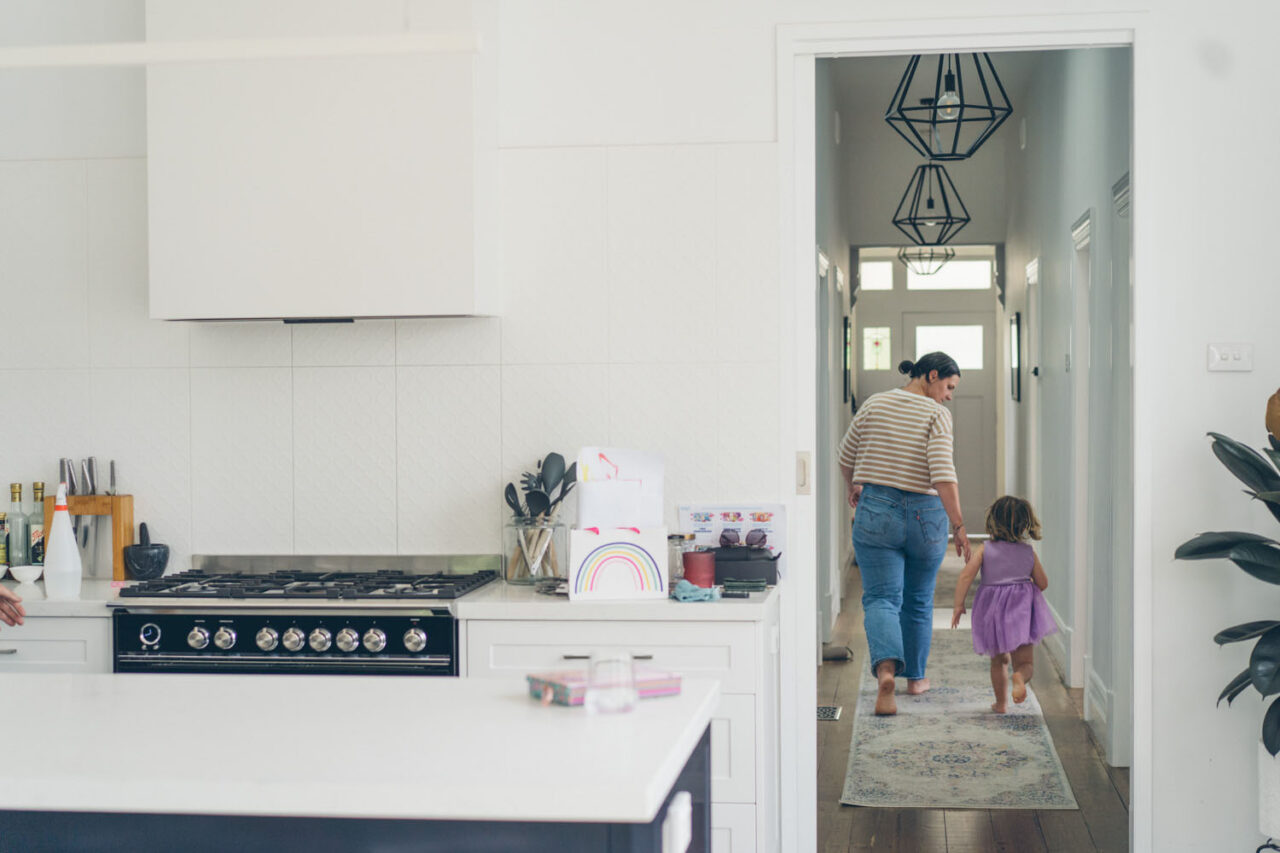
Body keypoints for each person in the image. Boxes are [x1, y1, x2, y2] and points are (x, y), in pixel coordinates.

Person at [839, 351, 971, 716]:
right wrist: (959, 526)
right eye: (948, 386)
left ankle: (885, 674)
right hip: (925, 516)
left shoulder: (875, 404)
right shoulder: (936, 415)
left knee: (882, 598)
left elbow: (845, 454)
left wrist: (853, 485)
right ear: (931, 375)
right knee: (918, 600)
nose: (949, 396)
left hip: (877, 506)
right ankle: (915, 678)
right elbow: (943, 473)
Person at [950, 495, 1058, 714]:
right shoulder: (1028, 552)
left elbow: (965, 576)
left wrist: (958, 605)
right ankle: (1019, 677)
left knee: (998, 661)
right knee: (1025, 662)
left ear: (993, 521)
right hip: (1022, 613)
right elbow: (1043, 583)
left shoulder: (985, 549)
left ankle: (1000, 704)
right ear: (1025, 524)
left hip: (993, 613)